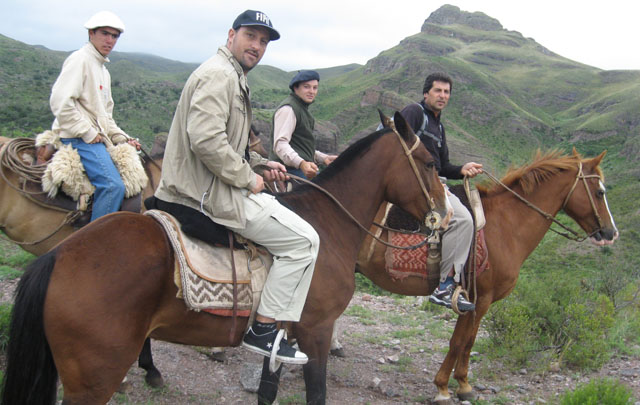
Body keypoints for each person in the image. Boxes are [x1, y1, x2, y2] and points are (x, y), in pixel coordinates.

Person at [154, 10, 319, 365]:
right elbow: (207, 141)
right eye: (251, 37)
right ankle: (263, 329)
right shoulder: (219, 75)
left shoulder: (231, 75)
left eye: (263, 42)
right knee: (305, 241)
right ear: (232, 35)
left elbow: (229, 144)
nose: (257, 46)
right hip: (204, 195)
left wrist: (261, 164)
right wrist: (250, 179)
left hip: (206, 184)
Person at [400, 72, 483, 313]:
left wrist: (462, 169)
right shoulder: (415, 113)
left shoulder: (439, 126)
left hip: (436, 180)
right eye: (438, 91)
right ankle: (444, 286)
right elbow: (393, 142)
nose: (442, 96)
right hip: (419, 183)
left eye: (446, 92)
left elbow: (443, 165)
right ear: (426, 93)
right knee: (463, 220)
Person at [49, 11, 141, 222]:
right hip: (78, 136)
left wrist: (123, 138)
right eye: (105, 34)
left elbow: (105, 116)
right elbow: (60, 102)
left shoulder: (103, 70)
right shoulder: (80, 60)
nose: (110, 40)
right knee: (112, 186)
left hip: (94, 135)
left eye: (115, 36)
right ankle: (94, 244)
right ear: (91, 33)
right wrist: (88, 132)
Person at [269, 70, 337, 180]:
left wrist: (324, 158)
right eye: (306, 87)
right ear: (296, 88)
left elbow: (301, 148)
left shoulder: (302, 109)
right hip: (287, 170)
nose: (312, 91)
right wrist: (301, 163)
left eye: (315, 88)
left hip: (300, 167)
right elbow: (280, 145)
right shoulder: (288, 109)